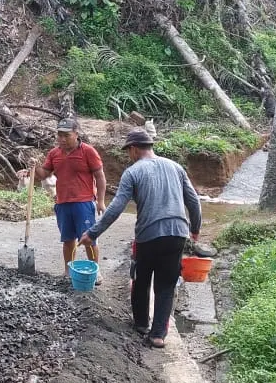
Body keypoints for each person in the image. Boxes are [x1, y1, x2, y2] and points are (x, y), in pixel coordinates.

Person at [79, 127, 201, 348]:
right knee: (166, 285)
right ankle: (157, 335)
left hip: (148, 236)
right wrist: (195, 229)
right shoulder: (175, 167)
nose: (129, 155)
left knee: (141, 278)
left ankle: (142, 323)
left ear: (134, 149)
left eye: (129, 152)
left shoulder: (133, 172)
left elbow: (116, 207)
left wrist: (92, 233)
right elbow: (193, 201)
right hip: (177, 233)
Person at [18, 117, 107, 270]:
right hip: (63, 202)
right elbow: (44, 174)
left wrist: (100, 201)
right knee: (68, 240)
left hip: (83, 202)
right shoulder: (54, 153)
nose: (62, 139)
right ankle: (68, 271)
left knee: (88, 239)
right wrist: (33, 168)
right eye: (60, 135)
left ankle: (94, 271)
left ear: (76, 134)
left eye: (67, 135)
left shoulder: (88, 151)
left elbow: (100, 176)